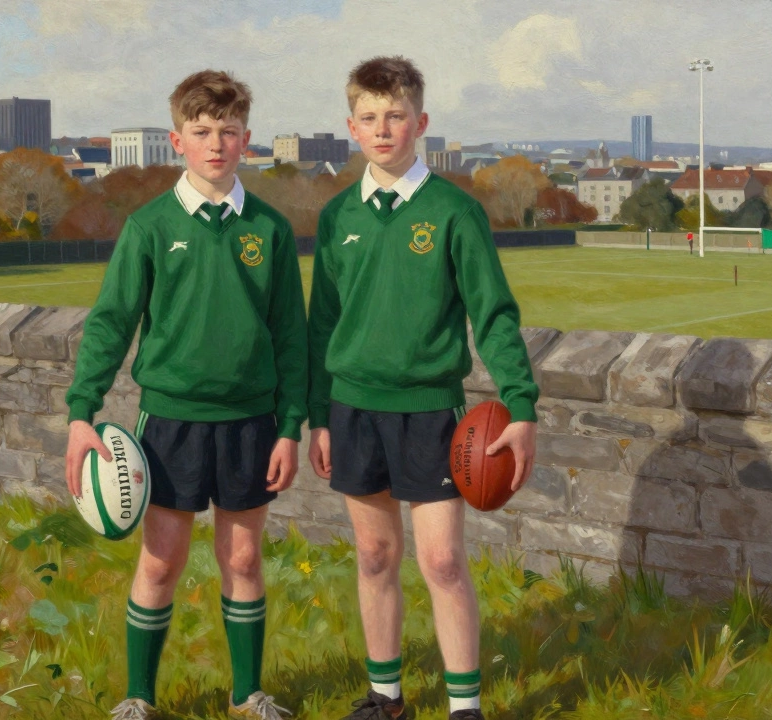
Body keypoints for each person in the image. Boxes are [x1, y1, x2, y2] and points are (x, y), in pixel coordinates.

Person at [62, 69, 307, 720]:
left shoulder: (271, 230)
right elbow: (112, 323)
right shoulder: (148, 228)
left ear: (247, 140)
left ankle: (246, 694)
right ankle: (138, 698)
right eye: (202, 132)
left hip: (252, 422)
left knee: (245, 557)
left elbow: (291, 335)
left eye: (228, 132)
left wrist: (291, 427)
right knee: (162, 561)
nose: (216, 145)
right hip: (171, 422)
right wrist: (81, 412)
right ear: (178, 140)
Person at [306, 56, 540, 720]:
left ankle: (464, 706)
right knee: (375, 555)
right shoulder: (336, 218)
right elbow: (322, 320)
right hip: (352, 410)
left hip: (429, 414)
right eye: (370, 118)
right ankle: (386, 698)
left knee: (441, 560)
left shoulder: (453, 212)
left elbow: (492, 314)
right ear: (352, 127)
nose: (384, 130)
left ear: (421, 123)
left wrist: (520, 405)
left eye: (397, 116)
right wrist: (319, 415)